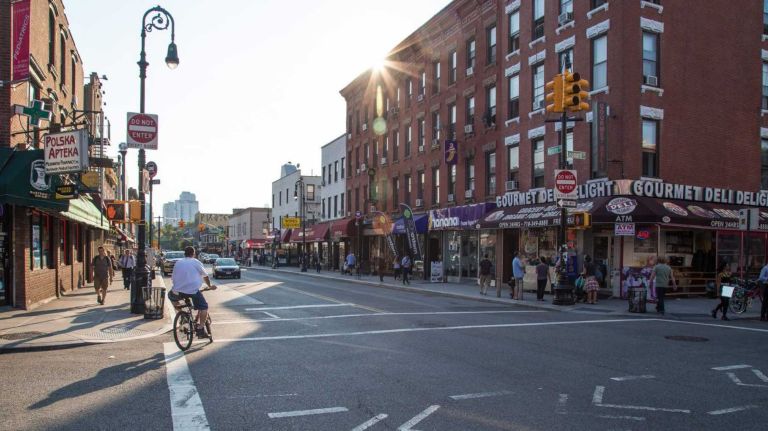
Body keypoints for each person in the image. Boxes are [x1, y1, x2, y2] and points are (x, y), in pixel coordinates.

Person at [170, 246, 216, 337]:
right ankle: (201, 329)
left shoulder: (178, 262)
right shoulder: (196, 262)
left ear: (185, 254)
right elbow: (205, 276)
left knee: (170, 296)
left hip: (178, 290)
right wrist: (209, 286)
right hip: (193, 291)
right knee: (204, 307)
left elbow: (173, 277)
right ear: (193, 254)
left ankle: (182, 313)